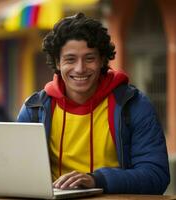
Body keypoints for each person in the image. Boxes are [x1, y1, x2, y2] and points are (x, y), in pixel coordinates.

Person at [17, 13, 170, 194]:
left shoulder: (134, 105)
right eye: (70, 59)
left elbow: (156, 176)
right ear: (58, 62)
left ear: (103, 60)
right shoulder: (34, 109)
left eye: (89, 58)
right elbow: (18, 173)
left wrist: (97, 179)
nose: (80, 68)